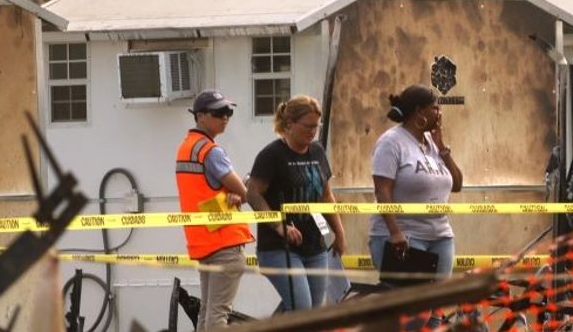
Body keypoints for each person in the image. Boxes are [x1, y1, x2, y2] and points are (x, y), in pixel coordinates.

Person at [245, 95, 346, 312]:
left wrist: (339, 233)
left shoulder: (317, 151)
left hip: (315, 244)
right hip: (278, 247)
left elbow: (326, 197)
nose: (313, 132)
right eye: (308, 126)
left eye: (316, 127)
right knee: (302, 307)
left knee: (311, 313)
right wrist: (279, 226)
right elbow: (253, 194)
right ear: (289, 124)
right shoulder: (271, 155)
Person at [175, 89, 252, 330]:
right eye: (218, 112)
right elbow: (247, 193)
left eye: (227, 112)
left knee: (207, 313)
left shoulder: (186, 148)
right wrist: (240, 192)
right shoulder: (211, 151)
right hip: (225, 242)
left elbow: (204, 193)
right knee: (217, 315)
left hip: (203, 242)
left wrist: (233, 195)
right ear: (200, 116)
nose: (225, 117)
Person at [370, 84, 463, 280]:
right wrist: (395, 233)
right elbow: (382, 190)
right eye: (435, 108)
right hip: (405, 236)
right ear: (419, 111)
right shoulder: (391, 142)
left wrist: (443, 149)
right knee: (412, 307)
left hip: (441, 235)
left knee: (436, 305)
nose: (440, 113)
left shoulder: (432, 142)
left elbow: (457, 185)